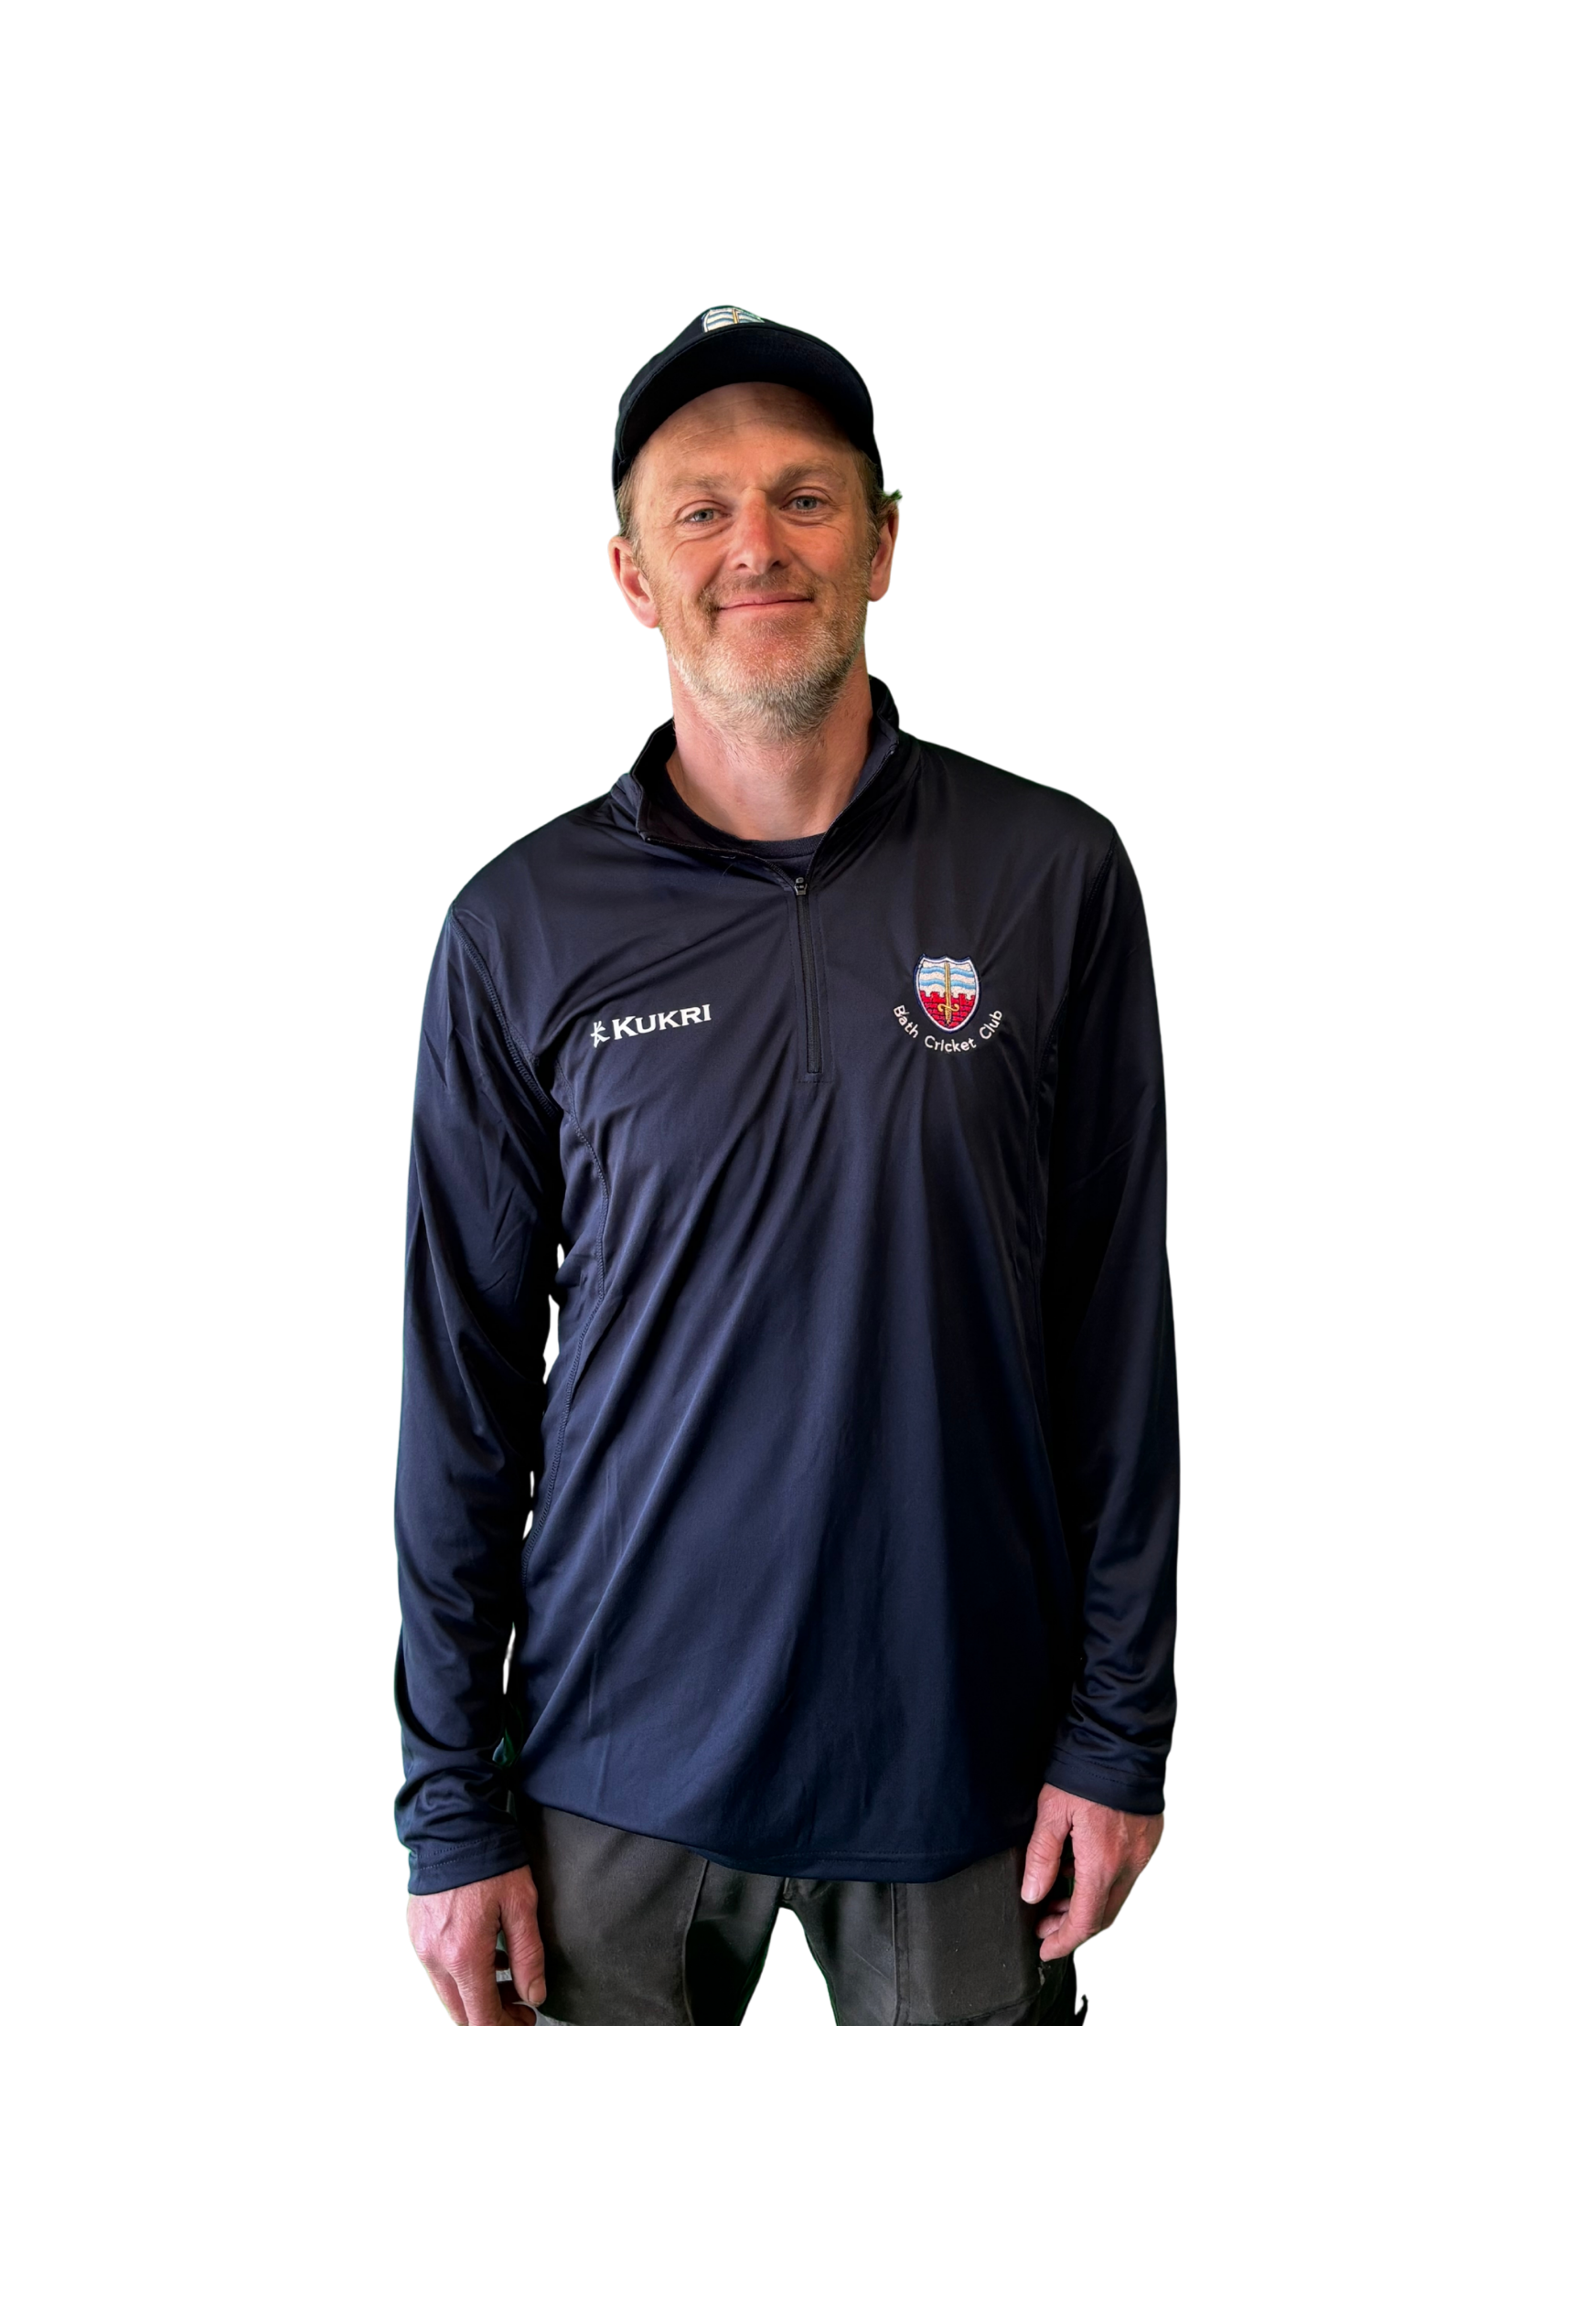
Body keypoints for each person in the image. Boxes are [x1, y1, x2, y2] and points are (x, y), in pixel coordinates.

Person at [395, 306, 1178, 2028]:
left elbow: (1120, 1342)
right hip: (609, 1776)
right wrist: (448, 1807)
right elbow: (458, 1395)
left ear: (884, 545)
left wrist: (1121, 1732)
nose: (757, 543)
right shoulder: (514, 929)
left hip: (966, 1771)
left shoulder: (1054, 878)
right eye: (703, 509)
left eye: (807, 499)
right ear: (631, 578)